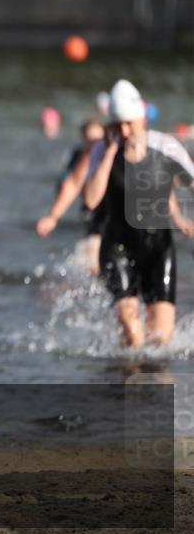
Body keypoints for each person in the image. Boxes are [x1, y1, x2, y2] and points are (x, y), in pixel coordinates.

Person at [83, 79, 194, 348]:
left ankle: (149, 388)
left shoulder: (165, 147)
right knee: (133, 333)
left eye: (128, 123)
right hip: (117, 247)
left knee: (161, 339)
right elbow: (90, 199)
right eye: (117, 124)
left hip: (158, 249)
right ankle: (126, 383)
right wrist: (110, 152)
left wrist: (182, 220)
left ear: (141, 118)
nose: (123, 130)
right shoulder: (103, 150)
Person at [36, 117, 106, 274]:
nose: (92, 144)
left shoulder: (112, 151)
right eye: (89, 140)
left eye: (97, 140)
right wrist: (53, 216)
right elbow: (71, 183)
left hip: (116, 215)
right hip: (92, 212)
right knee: (93, 264)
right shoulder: (80, 157)